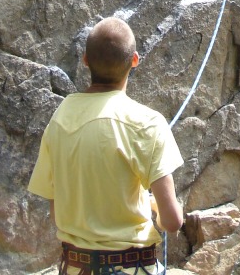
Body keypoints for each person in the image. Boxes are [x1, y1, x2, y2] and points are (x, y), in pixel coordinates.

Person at [29, 16, 184, 275]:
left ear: (86, 60)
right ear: (134, 60)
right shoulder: (148, 123)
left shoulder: (60, 119)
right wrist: (155, 211)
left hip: (75, 268)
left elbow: (57, 215)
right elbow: (172, 221)